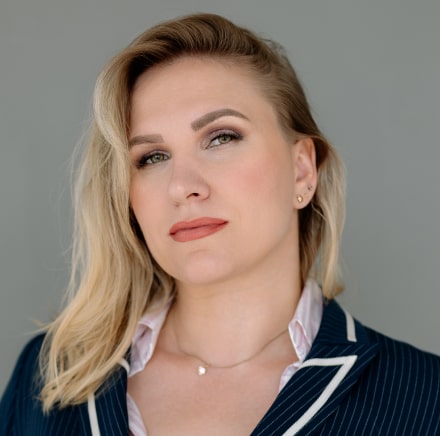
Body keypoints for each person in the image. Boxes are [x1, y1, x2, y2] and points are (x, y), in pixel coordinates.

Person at [1, 13, 439, 436]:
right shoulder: (50, 378)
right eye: (152, 157)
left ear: (302, 169)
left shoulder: (425, 398)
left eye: (221, 138)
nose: (182, 187)